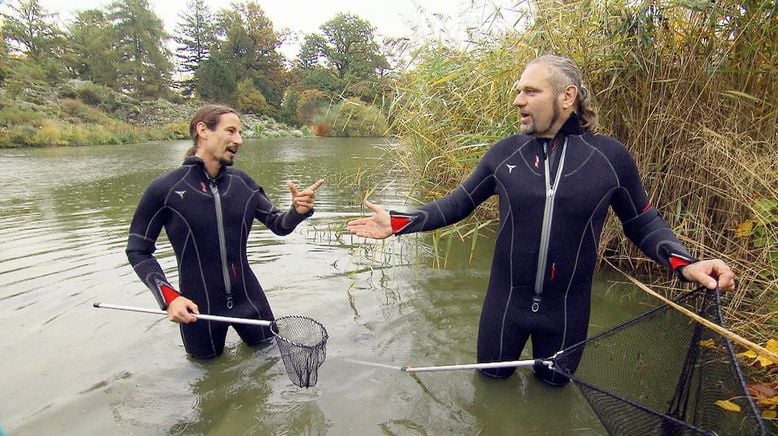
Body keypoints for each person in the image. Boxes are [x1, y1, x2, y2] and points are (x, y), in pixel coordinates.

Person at [346, 54, 735, 385]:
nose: (518, 100)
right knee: (491, 390)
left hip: (566, 313)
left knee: (553, 395)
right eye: (518, 90)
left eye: (530, 91)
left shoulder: (610, 160)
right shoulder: (504, 154)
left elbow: (643, 222)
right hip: (505, 308)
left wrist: (686, 263)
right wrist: (400, 222)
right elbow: (457, 203)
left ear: (567, 97)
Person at [126, 104, 324, 359]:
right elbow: (138, 250)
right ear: (203, 131)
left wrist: (298, 211)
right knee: (207, 379)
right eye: (230, 131)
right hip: (198, 308)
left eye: (240, 133)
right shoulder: (165, 189)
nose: (239, 140)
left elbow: (278, 224)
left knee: (269, 364)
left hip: (249, 300)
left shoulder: (243, 184)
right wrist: (169, 296)